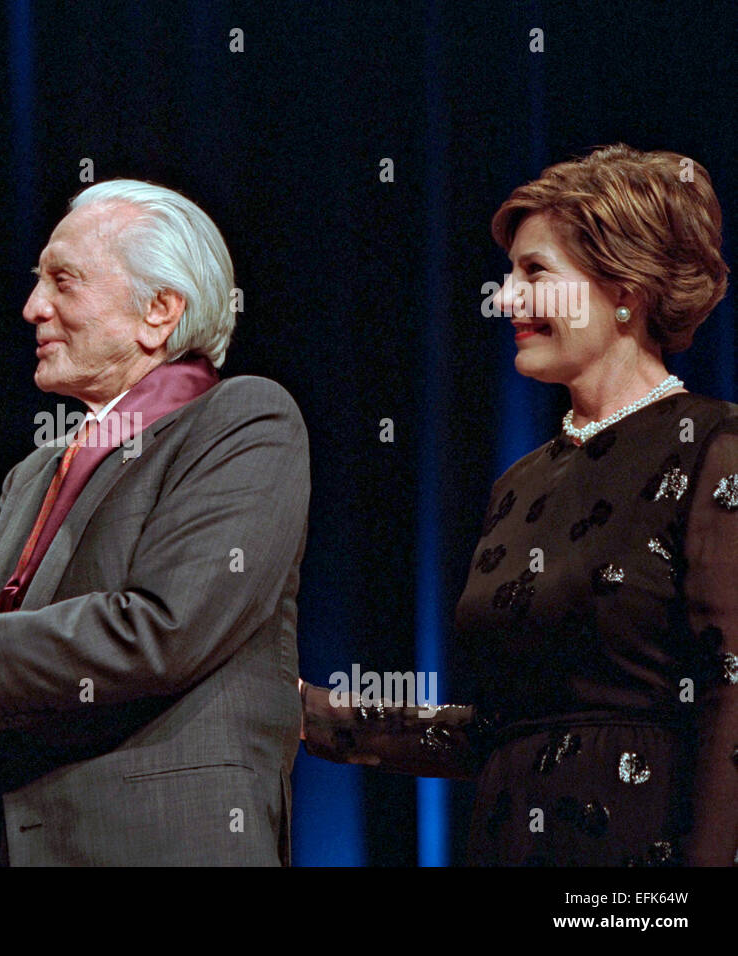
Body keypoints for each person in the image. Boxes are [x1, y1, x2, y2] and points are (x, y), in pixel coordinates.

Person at [0, 179, 311, 865]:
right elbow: (36, 684)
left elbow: (163, 630)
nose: (32, 308)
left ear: (159, 312)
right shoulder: (36, 476)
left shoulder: (244, 420)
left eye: (63, 282)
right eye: (38, 281)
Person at [301, 144, 737, 866]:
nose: (505, 299)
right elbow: (501, 731)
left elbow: (731, 702)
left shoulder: (711, 448)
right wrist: (317, 717)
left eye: (535, 272)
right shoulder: (520, 484)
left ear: (626, 289)